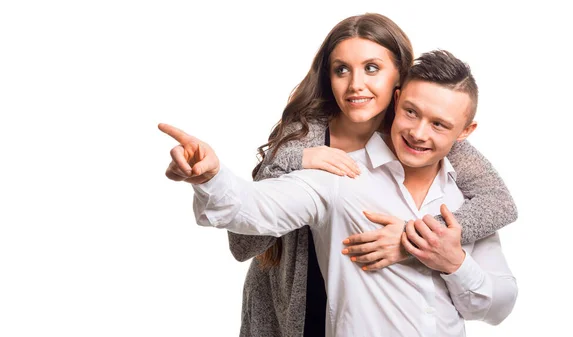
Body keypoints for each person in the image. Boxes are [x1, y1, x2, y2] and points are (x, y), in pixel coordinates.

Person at [163, 13, 517, 337]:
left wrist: (418, 243)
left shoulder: (430, 135)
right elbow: (244, 237)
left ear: (400, 78)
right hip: (294, 300)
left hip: (366, 291)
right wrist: (287, 161)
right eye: (341, 69)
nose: (356, 85)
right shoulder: (304, 139)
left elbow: (499, 203)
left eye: (372, 68)